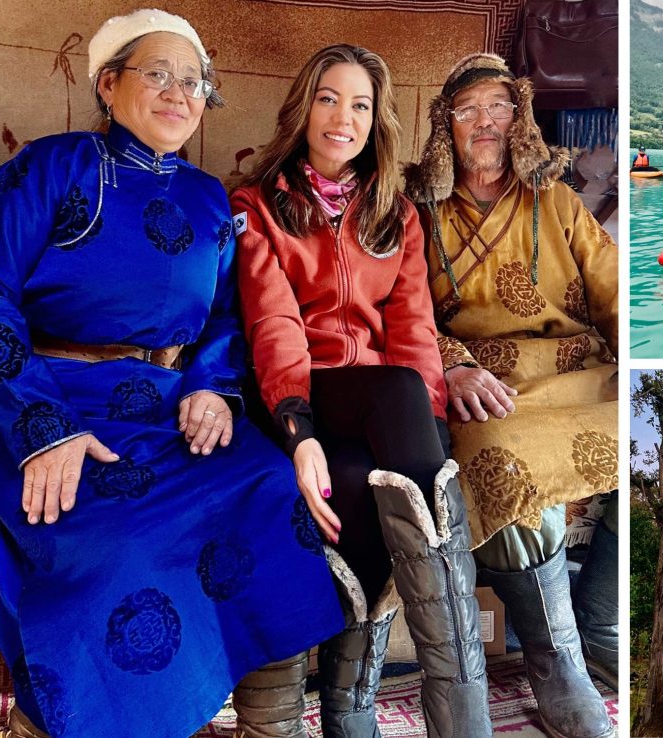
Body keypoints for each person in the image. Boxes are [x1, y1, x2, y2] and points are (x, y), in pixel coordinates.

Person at [0, 10, 345, 738]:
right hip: (56, 402)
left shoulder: (210, 201)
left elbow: (223, 321)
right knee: (116, 547)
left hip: (170, 405)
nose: (181, 92)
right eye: (159, 74)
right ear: (109, 85)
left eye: (193, 81)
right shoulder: (50, 168)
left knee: (273, 494)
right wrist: (42, 432)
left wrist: (212, 385)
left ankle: (272, 725)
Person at [231, 44, 491, 737]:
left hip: (381, 407)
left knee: (364, 486)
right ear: (303, 107)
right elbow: (273, 324)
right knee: (399, 408)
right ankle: (464, 721)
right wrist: (299, 430)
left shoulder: (394, 213)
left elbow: (412, 326)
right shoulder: (258, 206)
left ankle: (352, 708)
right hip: (299, 393)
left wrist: (426, 435)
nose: (342, 117)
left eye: (360, 104)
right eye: (328, 98)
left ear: (377, 122)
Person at [404, 53, 617, 738]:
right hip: (489, 388)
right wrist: (453, 366)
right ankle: (559, 667)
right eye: (469, 110)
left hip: (581, 366)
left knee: (660, 423)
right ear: (447, 126)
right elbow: (401, 312)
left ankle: (601, 626)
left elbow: (612, 287)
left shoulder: (555, 200)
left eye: (499, 107)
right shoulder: (419, 211)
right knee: (502, 460)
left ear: (518, 119)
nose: (486, 122)